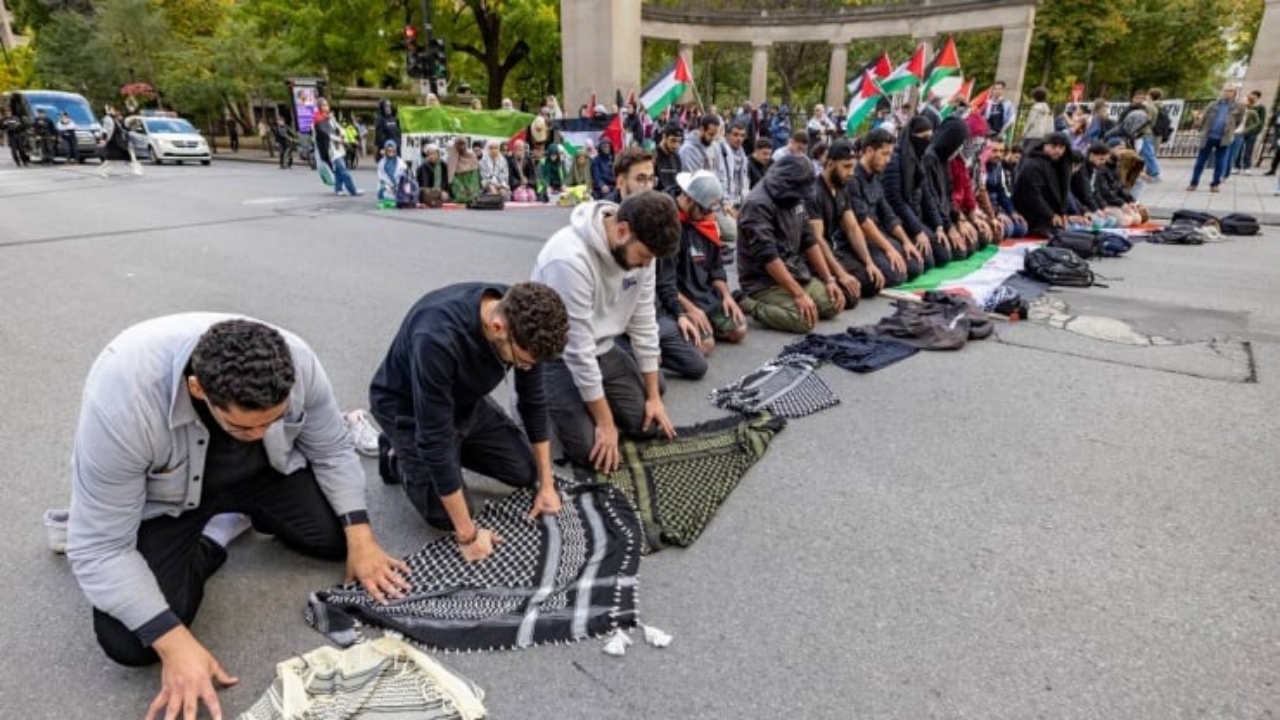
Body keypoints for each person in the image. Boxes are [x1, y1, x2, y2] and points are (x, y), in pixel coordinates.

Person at [63, 315, 408, 720]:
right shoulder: (123, 405)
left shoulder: (296, 361)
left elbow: (331, 448)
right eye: (245, 427)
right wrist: (175, 642)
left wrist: (362, 537)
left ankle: (241, 510)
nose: (262, 434)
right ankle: (213, 536)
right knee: (131, 642)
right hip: (170, 501)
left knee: (339, 537)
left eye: (273, 421)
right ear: (198, 389)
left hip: (263, 475)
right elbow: (99, 547)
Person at [369, 283, 569, 553]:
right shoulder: (436, 337)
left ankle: (455, 449)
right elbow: (435, 440)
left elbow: (533, 401)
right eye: (522, 362)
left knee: (526, 471)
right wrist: (468, 536)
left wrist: (547, 484)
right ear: (498, 327)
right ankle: (396, 454)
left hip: (464, 400)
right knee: (447, 515)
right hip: (408, 408)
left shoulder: (523, 315)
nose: (525, 368)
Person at [531, 191, 682, 471]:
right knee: (592, 453)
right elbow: (577, 351)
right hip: (557, 357)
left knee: (648, 422)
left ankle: (590, 401)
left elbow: (644, 322)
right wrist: (605, 423)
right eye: (645, 256)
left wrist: (653, 398)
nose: (647, 265)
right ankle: (537, 399)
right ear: (622, 230)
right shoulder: (568, 258)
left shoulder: (643, 249)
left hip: (605, 348)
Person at [735, 154, 845, 334]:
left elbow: (809, 239)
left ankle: (792, 295)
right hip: (763, 280)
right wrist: (799, 294)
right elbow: (768, 257)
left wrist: (829, 279)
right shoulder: (758, 204)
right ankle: (747, 302)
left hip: (793, 269)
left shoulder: (796, 196)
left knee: (833, 303)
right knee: (803, 321)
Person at [806, 139, 882, 302]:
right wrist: (840, 274)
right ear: (831, 164)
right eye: (846, 167)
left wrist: (869, 262)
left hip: (831, 250)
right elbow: (816, 239)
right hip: (813, 254)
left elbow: (852, 228)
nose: (852, 172)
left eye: (853, 167)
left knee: (872, 283)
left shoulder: (842, 188)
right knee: (849, 296)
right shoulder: (814, 193)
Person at [848, 128, 927, 285]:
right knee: (897, 275)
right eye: (884, 154)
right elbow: (863, 222)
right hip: (861, 240)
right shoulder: (853, 178)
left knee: (918, 263)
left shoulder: (876, 175)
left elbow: (887, 213)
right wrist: (889, 249)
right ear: (869, 150)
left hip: (879, 234)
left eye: (890, 154)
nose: (888, 160)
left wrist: (905, 241)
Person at [1012, 131, 1072, 236]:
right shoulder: (1032, 164)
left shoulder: (1059, 164)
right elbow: (1033, 195)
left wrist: (1062, 213)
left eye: (1061, 147)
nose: (1057, 150)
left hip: (1049, 214)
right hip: (1032, 215)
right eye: (1054, 146)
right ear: (1044, 146)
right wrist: (1050, 215)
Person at [1188, 85, 1245, 193]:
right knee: (1200, 161)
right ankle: (1193, 183)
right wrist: (1200, 127)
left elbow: (1238, 122)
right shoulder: (1213, 104)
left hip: (1224, 138)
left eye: (1230, 91)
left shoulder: (1239, 107)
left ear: (1234, 93)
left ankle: (1215, 184)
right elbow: (1204, 118)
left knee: (1220, 162)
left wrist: (1229, 130)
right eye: (1226, 90)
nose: (1227, 93)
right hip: (1208, 136)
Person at [314, 98, 361, 197]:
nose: (326, 107)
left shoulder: (330, 117)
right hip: (330, 149)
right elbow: (325, 134)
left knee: (339, 170)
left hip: (338, 148)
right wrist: (337, 139)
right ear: (319, 107)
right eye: (323, 105)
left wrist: (343, 135)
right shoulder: (318, 119)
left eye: (327, 105)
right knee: (343, 170)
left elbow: (338, 128)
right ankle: (353, 190)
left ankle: (338, 189)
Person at [376, 140, 414, 204]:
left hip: (399, 187)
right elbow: (381, 177)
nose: (391, 152)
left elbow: (406, 176)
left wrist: (406, 171)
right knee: (385, 195)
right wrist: (387, 186)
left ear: (395, 151)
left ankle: (401, 198)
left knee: (406, 191)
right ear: (386, 151)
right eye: (389, 151)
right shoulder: (381, 163)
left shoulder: (400, 162)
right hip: (387, 188)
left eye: (392, 150)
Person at [653, 123, 684, 192]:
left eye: (679, 141)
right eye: (673, 140)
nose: (676, 145)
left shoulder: (676, 157)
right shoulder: (653, 157)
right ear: (664, 137)